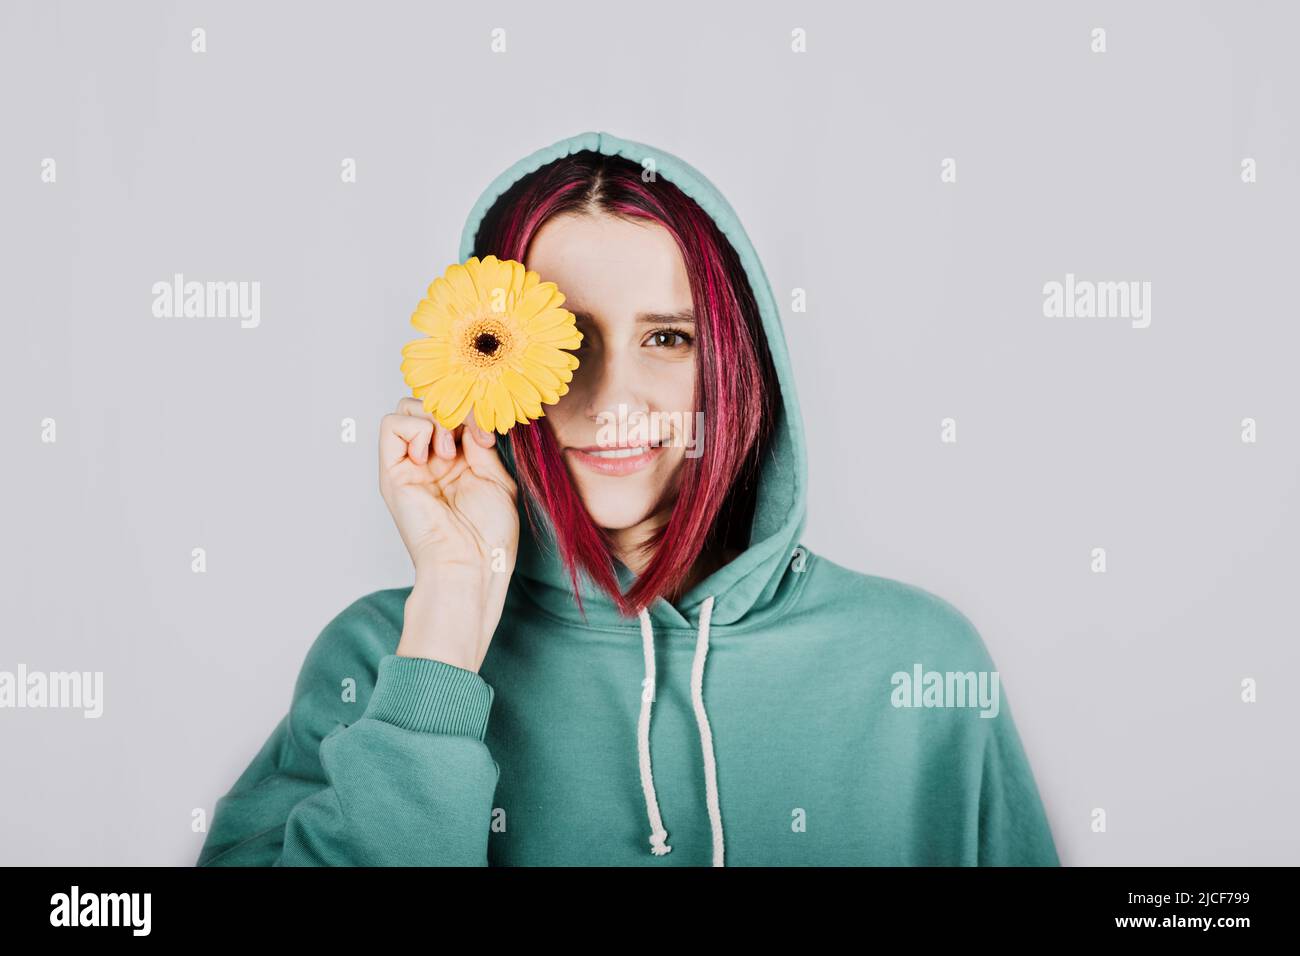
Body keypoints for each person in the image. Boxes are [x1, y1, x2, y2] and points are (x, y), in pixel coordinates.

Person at [197, 130, 1060, 866]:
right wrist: (450, 620)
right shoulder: (387, 657)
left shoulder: (917, 661)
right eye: (567, 340)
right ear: (491, 360)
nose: (613, 400)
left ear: (734, 361)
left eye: (668, 337)